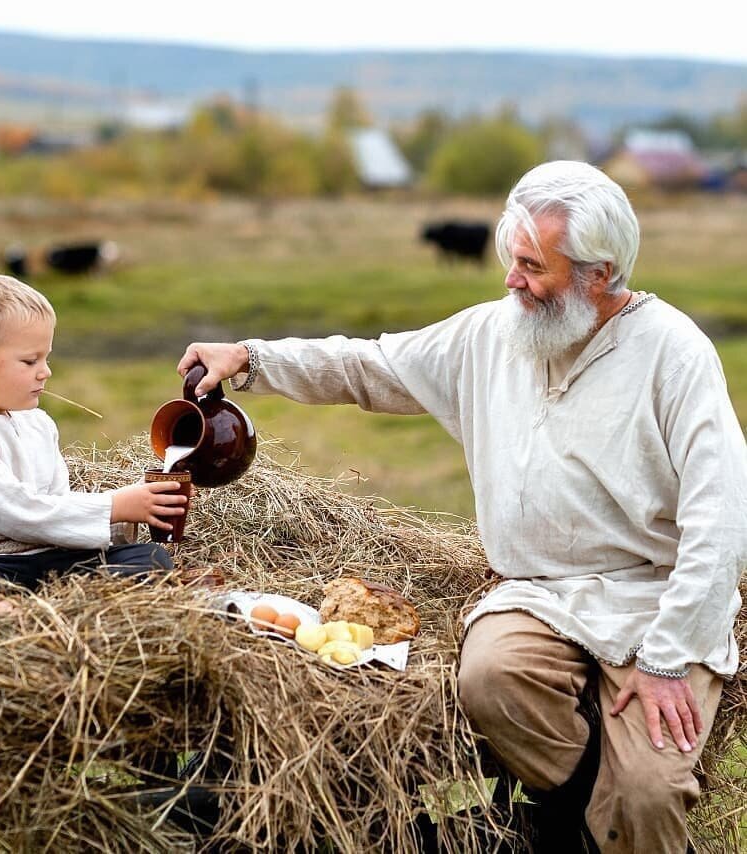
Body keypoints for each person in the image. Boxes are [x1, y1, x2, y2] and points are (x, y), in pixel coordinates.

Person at [175, 161, 747, 853]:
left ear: (599, 273)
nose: (511, 280)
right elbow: (371, 366)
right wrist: (251, 356)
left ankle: (594, 824)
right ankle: (582, 828)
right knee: (489, 681)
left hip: (654, 601)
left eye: (532, 266)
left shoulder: (673, 353)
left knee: (651, 793)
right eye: (512, 259)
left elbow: (723, 517)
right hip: (534, 597)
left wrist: (667, 659)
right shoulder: (493, 333)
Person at [0, 272, 187, 610]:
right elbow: (15, 511)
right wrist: (113, 505)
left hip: (42, 560)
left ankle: (25, 605)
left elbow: (54, 505)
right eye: (30, 361)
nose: (45, 371)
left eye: (45, 357)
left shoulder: (38, 423)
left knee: (148, 559)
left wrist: (132, 514)